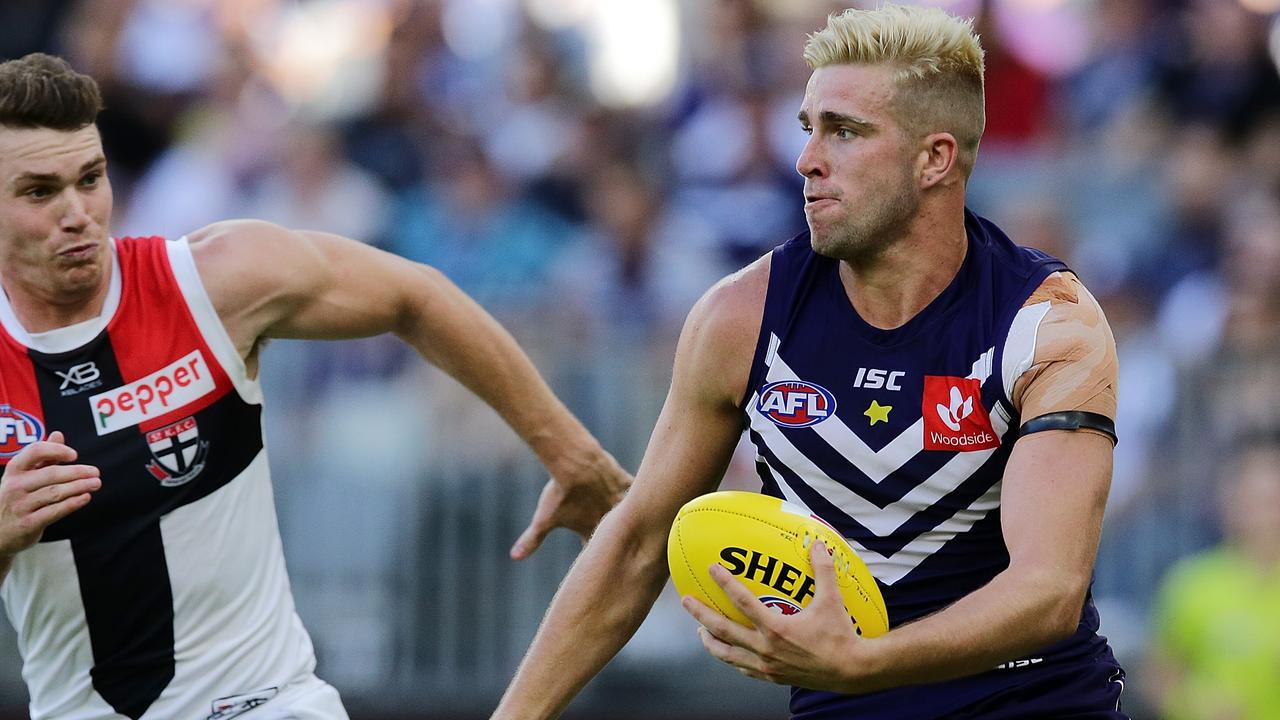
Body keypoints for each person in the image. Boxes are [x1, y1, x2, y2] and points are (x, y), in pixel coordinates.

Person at [493, 5, 1126, 719]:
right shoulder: (740, 317)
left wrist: (864, 662)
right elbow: (638, 541)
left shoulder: (1047, 322)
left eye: (845, 131)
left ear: (935, 159)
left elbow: (1049, 589)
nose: (806, 160)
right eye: (809, 127)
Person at [0, 53, 629, 720]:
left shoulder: (210, 281)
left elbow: (416, 296)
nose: (78, 213)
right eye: (40, 192)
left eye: (90, 179)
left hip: (265, 704)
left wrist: (570, 452)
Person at [1145, 433, 1280, 720]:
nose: (1264, 517)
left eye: (1270, 501)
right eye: (1251, 500)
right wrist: (1196, 703)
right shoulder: (1192, 583)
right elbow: (1160, 675)